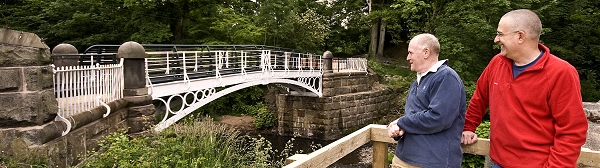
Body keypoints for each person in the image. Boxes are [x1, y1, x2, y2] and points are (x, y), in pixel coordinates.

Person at [461, 9, 588, 167]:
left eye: (500, 34)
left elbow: (572, 131)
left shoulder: (561, 72)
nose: (496, 39)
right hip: (499, 163)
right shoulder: (496, 63)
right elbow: (480, 98)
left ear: (520, 36)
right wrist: (468, 127)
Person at [387, 33, 466, 168]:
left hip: (432, 162)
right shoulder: (416, 82)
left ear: (426, 52)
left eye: (410, 53)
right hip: (403, 158)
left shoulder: (446, 77)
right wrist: (399, 129)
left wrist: (401, 122)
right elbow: (413, 118)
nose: (408, 58)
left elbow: (439, 118)